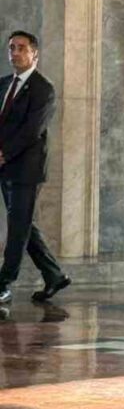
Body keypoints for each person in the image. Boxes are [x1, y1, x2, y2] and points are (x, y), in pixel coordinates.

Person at [0, 31, 69, 306]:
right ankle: (54, 275)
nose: (15, 53)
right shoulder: (4, 84)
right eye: (11, 48)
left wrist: (4, 154)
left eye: (21, 48)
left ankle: (4, 283)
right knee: (23, 222)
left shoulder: (44, 89)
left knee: (18, 226)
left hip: (26, 168)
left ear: (34, 54)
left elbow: (32, 130)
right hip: (6, 166)